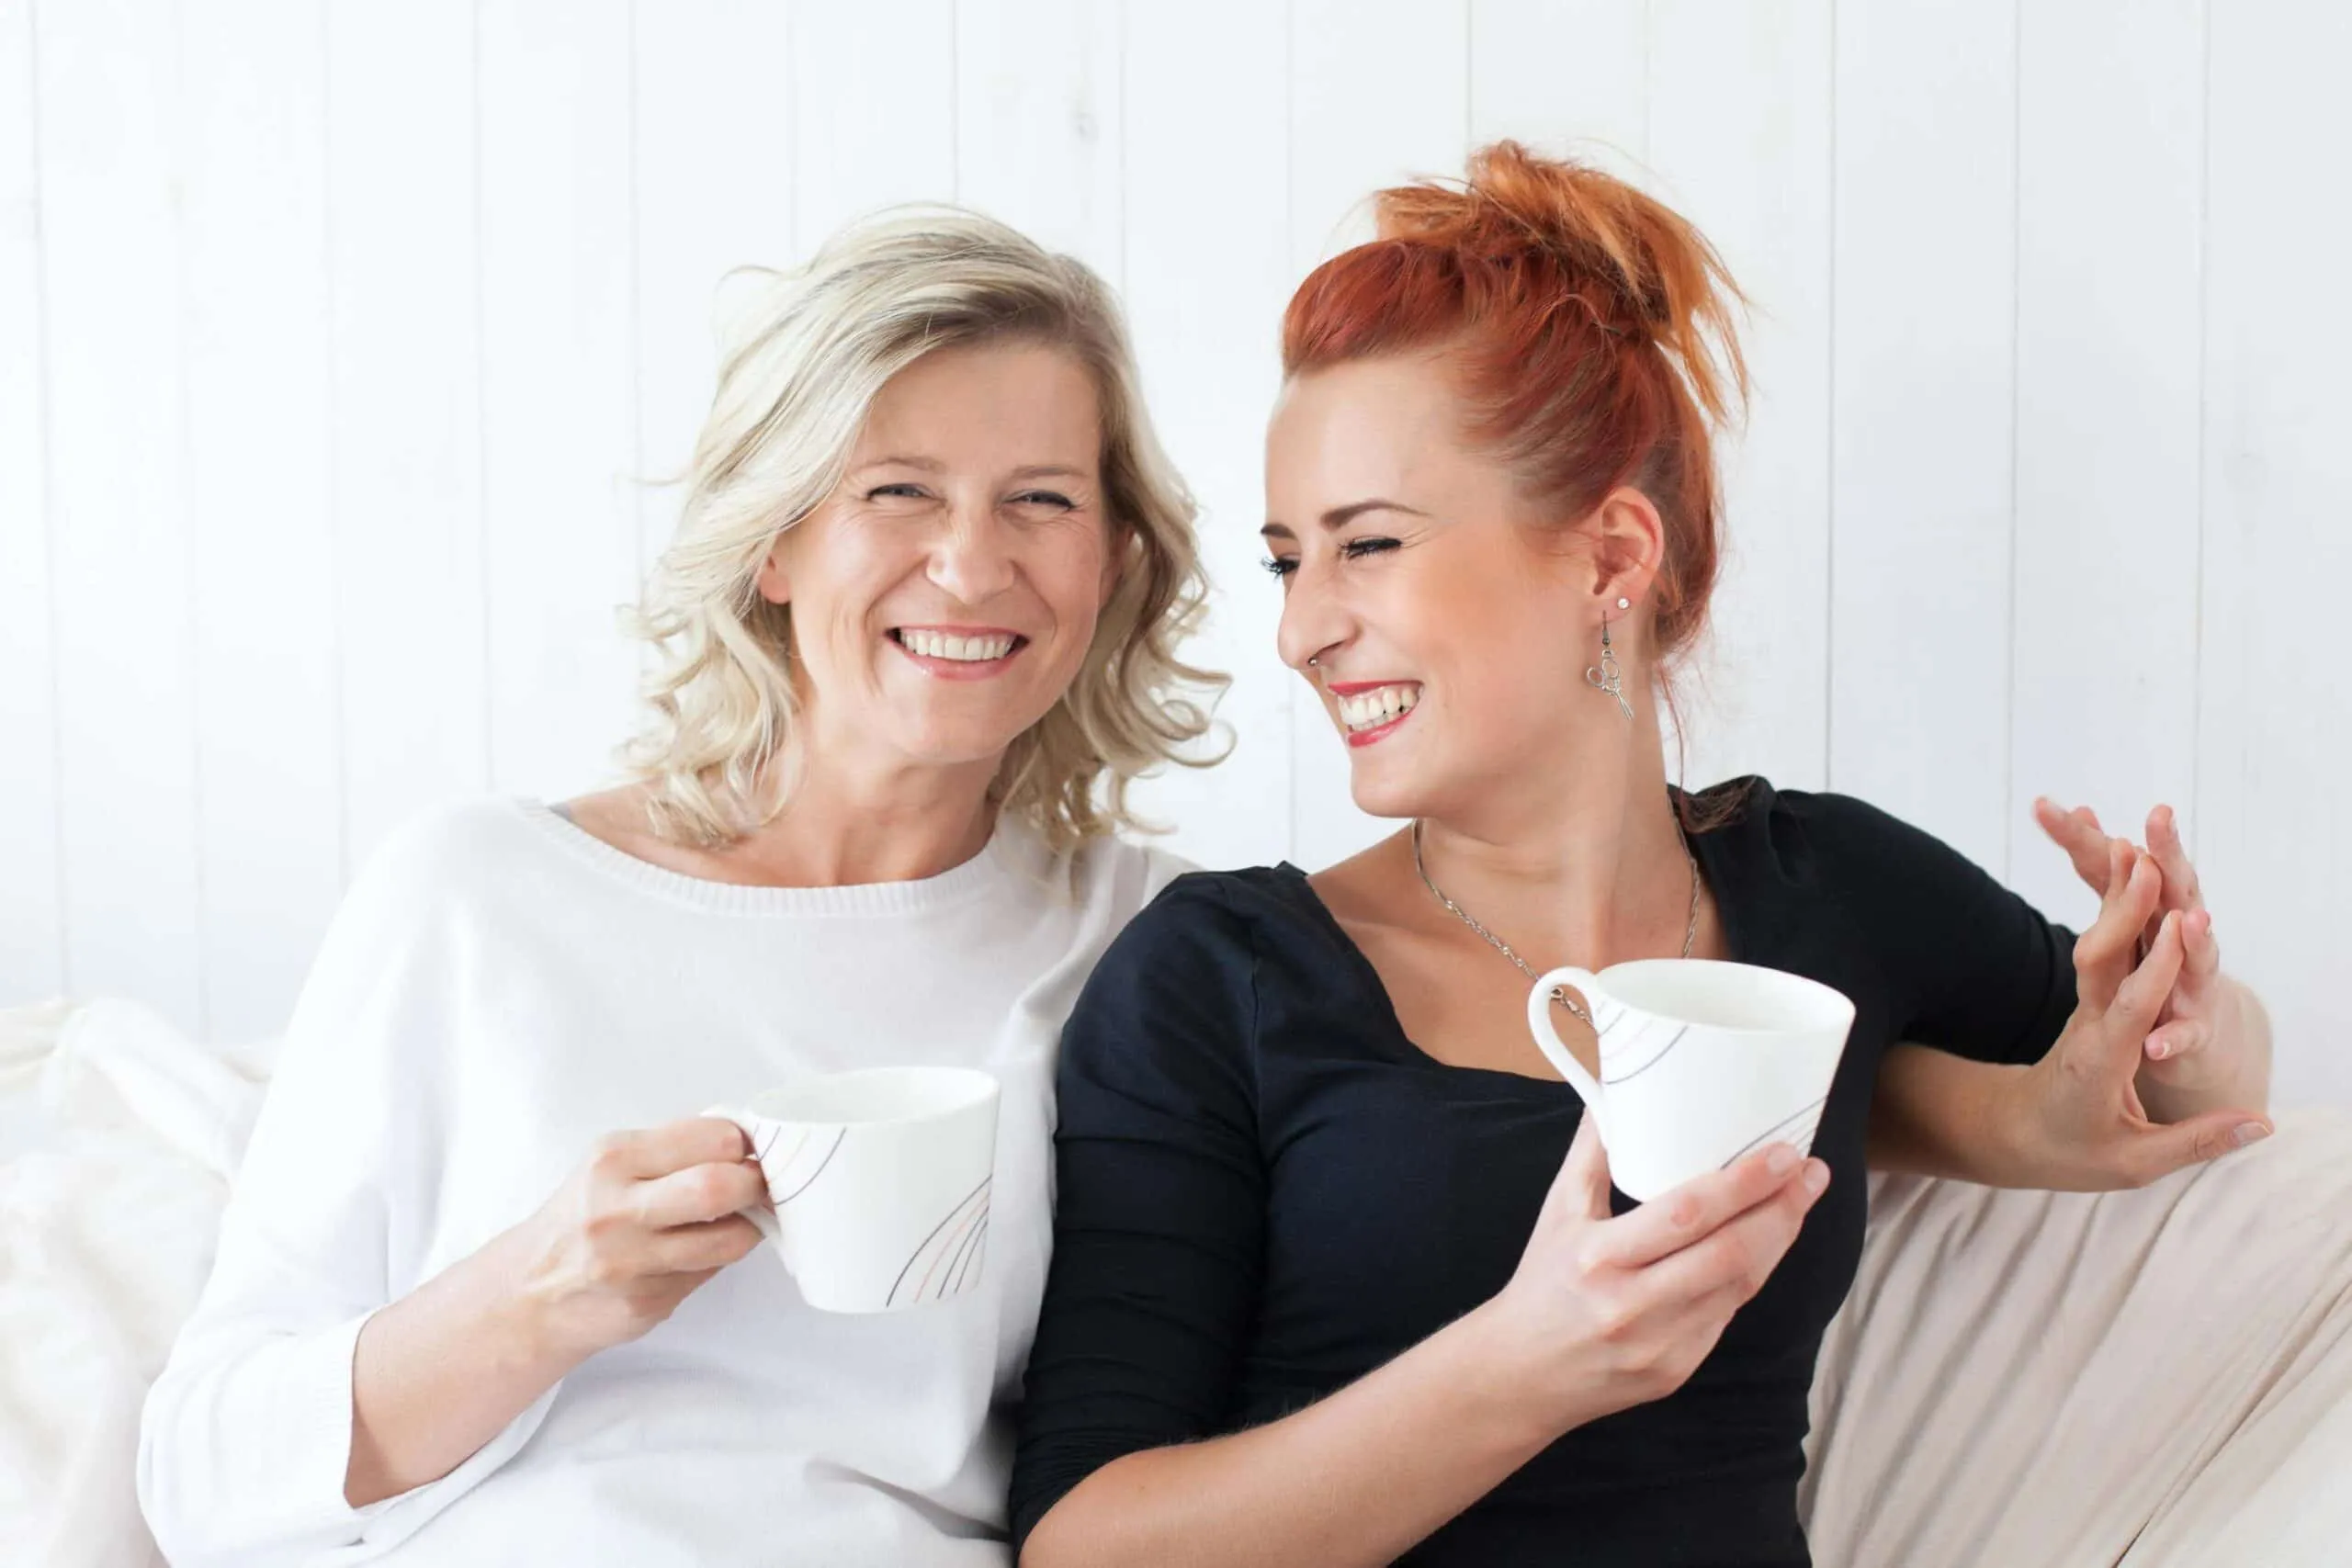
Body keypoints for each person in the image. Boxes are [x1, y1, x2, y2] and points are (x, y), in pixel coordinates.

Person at [1009, 141, 2274, 1567]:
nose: (1304, 630)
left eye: (1368, 545)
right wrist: (1525, 1368)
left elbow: (2186, 1089)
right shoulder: (1220, 975)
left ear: (1612, 556)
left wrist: (2180, 1007)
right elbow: (1085, 1543)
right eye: (1290, 560)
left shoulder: (1829, 892)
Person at [137, 206, 1221, 1566]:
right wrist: (540, 1293)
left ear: (1113, 559)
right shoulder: (480, 898)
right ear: (775, 544)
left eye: (1042, 499)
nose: (970, 562)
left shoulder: (1150, 945)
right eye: (898, 491)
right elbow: (199, 1477)